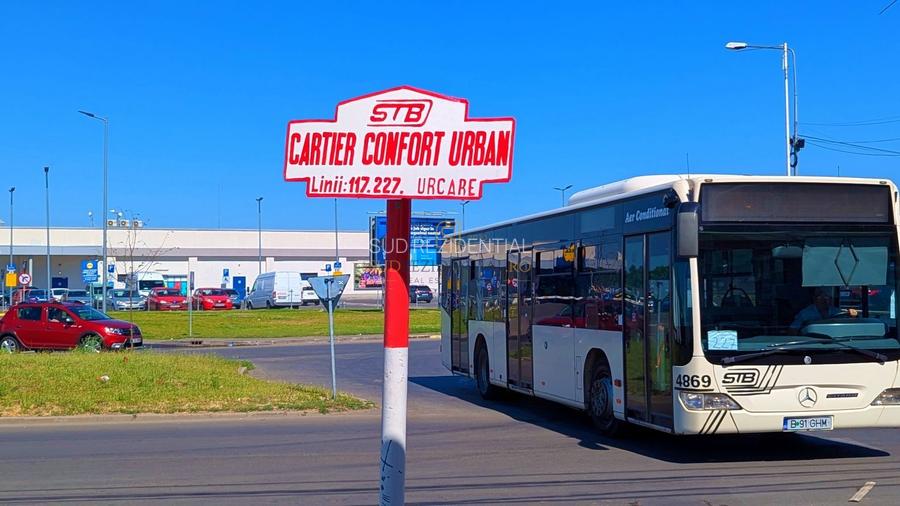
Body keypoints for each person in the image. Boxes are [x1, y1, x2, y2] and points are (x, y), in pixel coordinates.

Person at [790, 287, 857, 331]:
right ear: (814, 298)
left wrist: (853, 315)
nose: (824, 299)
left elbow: (849, 326)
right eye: (820, 296)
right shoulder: (805, 314)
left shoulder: (837, 312)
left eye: (826, 296)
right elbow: (793, 330)